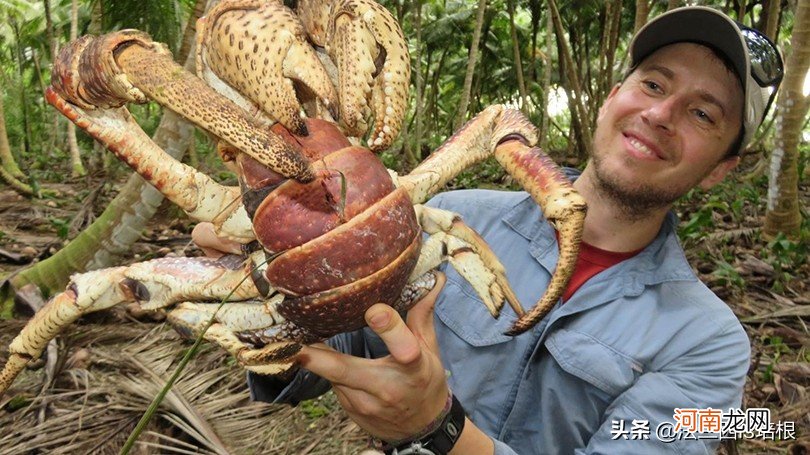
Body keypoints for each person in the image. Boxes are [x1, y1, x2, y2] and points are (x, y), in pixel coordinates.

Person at [240, 6, 785, 454]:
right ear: (612, 97)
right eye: (652, 83)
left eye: (703, 115)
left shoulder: (713, 347)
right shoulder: (452, 215)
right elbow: (328, 348)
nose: (661, 113)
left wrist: (437, 427)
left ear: (721, 169)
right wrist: (266, 289)